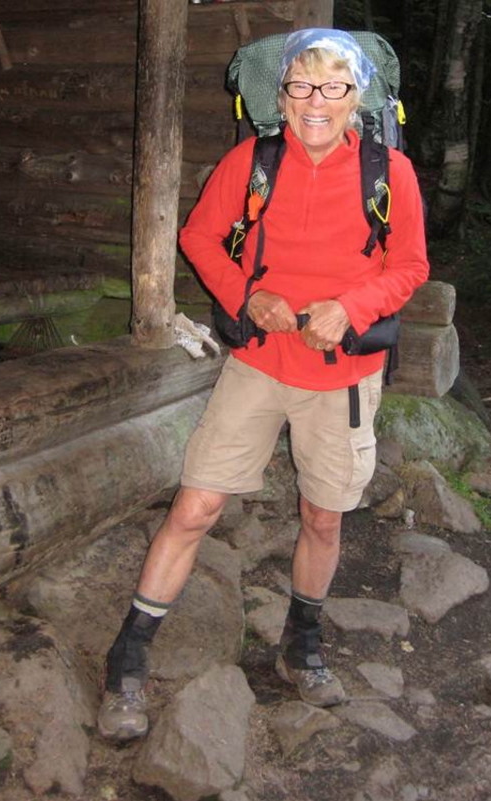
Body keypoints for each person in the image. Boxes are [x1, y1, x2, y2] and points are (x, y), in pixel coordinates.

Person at [98, 28, 429, 741]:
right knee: (194, 507)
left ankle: (300, 647)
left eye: (333, 87)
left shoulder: (388, 173)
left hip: (342, 373)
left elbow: (409, 266)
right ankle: (128, 656)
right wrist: (247, 294)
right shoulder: (254, 160)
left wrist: (350, 309)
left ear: (356, 97)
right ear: (279, 96)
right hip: (257, 363)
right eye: (301, 87)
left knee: (323, 516)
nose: (316, 102)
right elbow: (197, 236)